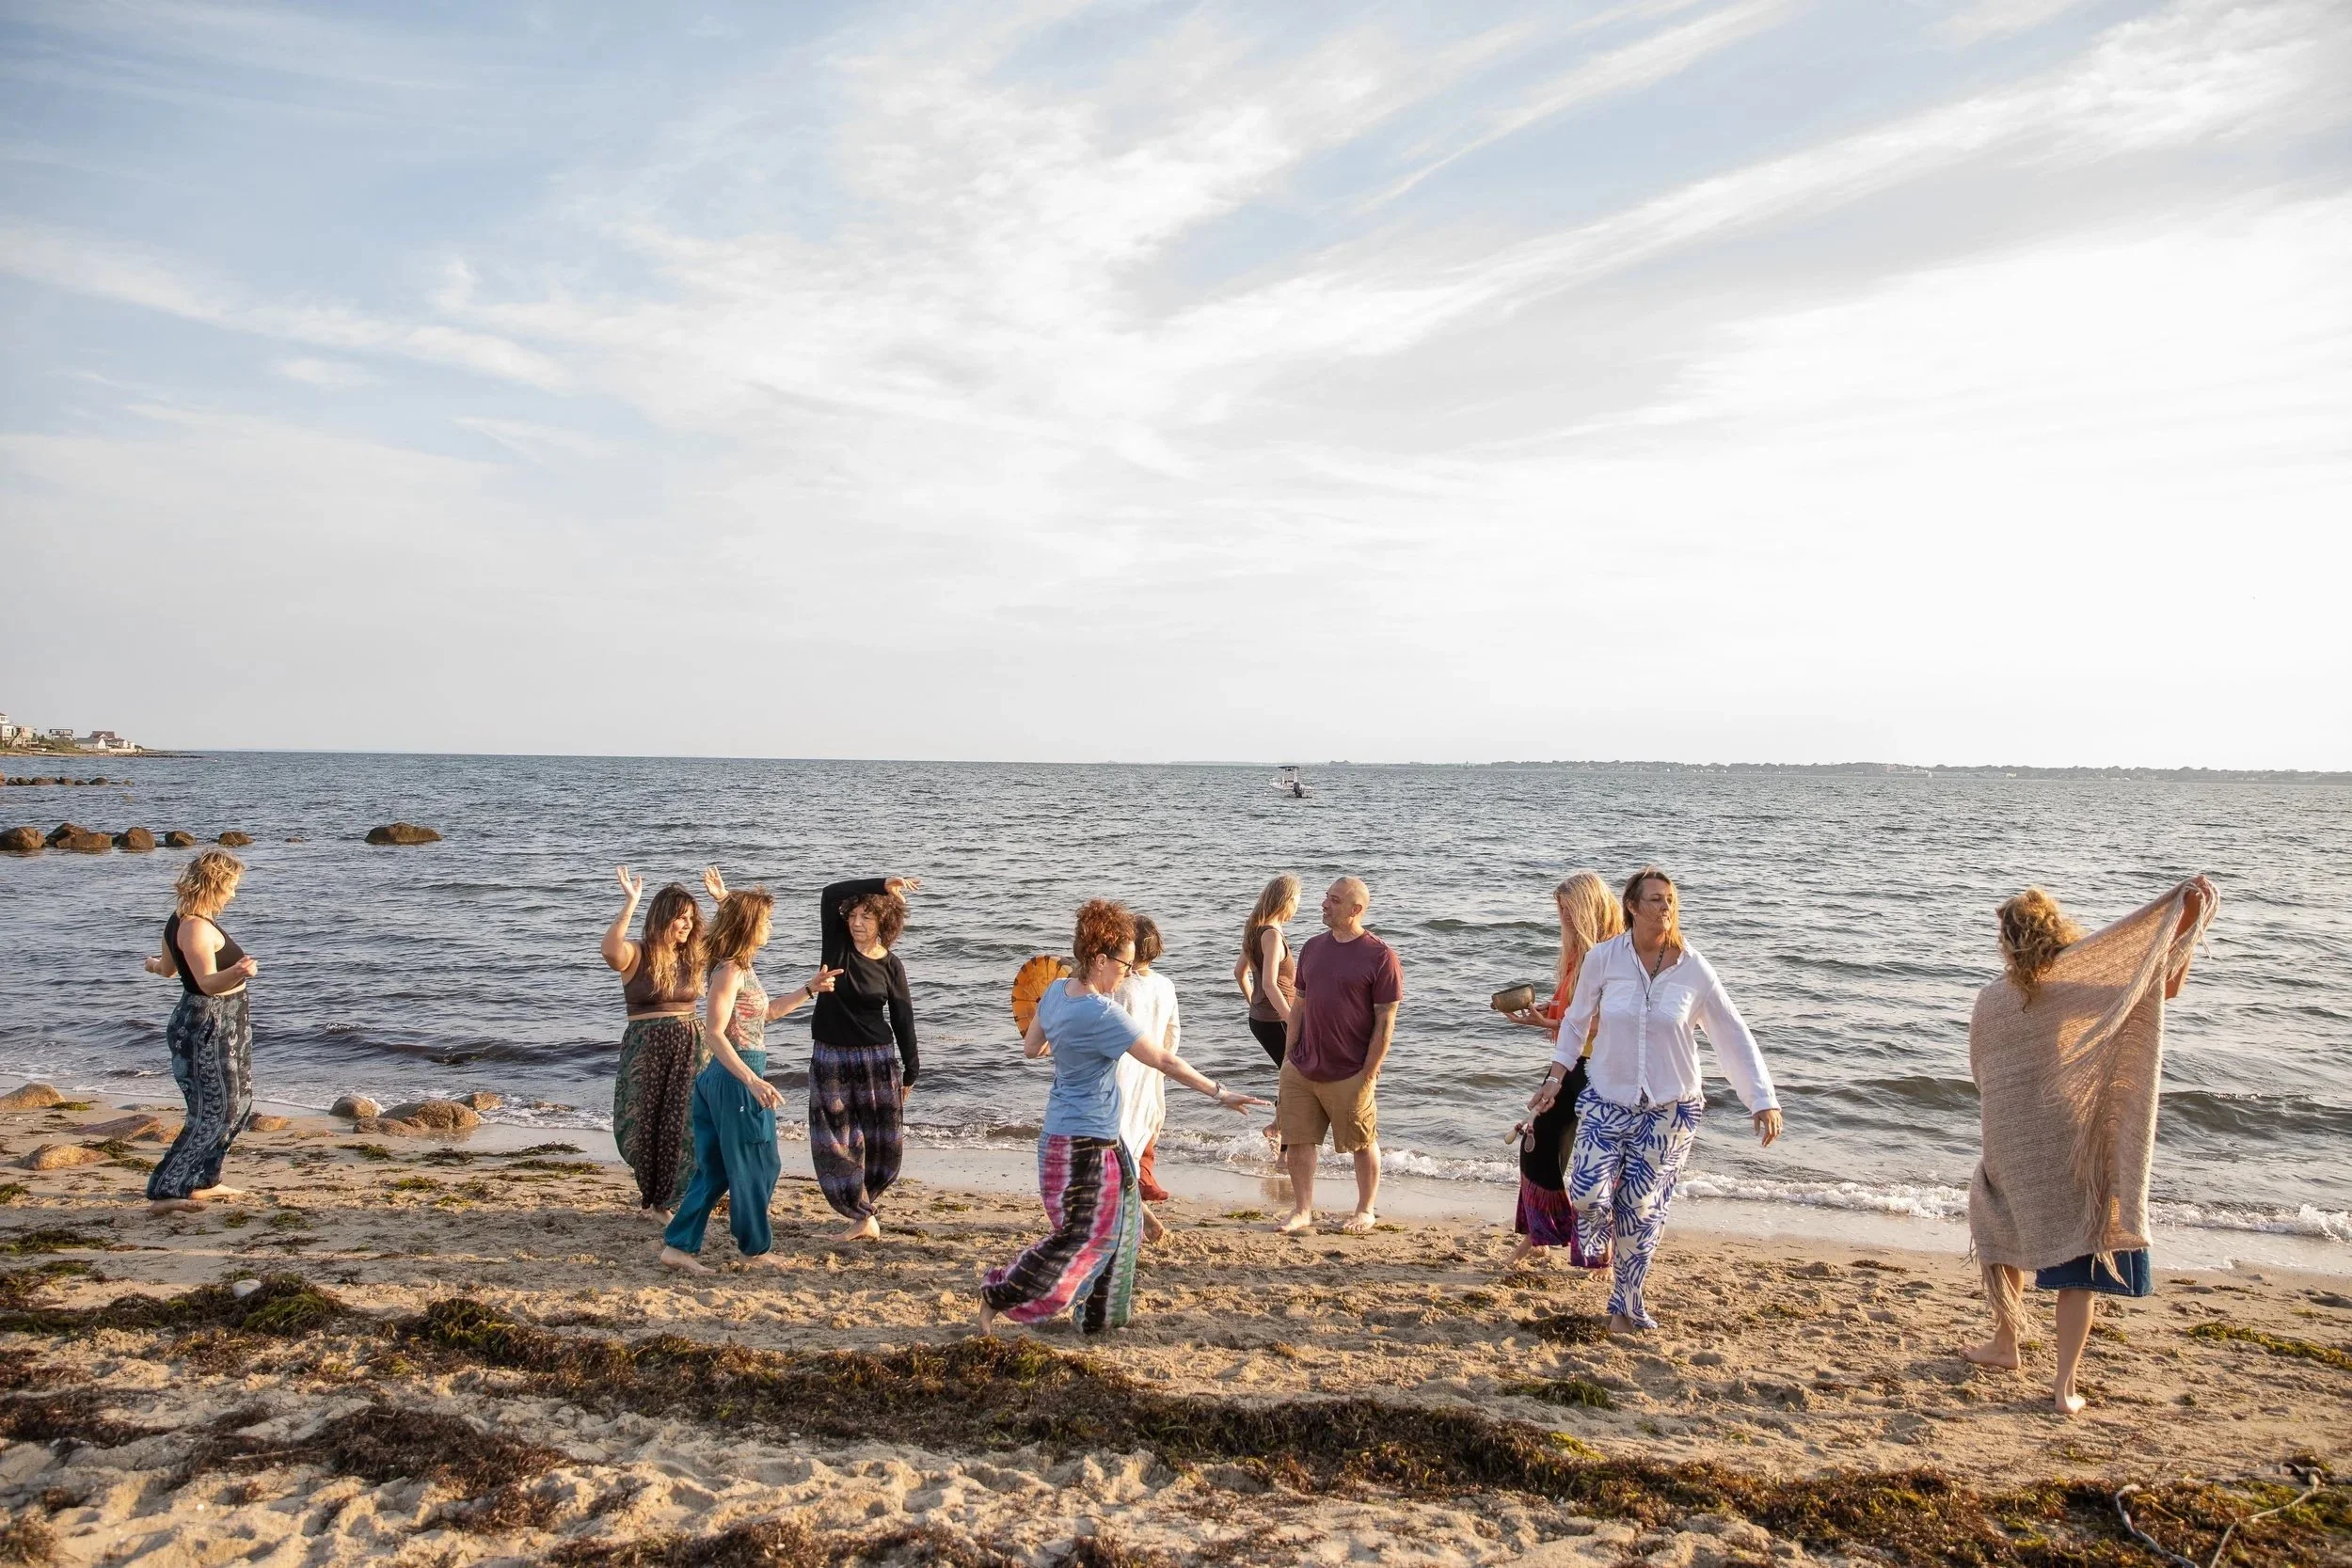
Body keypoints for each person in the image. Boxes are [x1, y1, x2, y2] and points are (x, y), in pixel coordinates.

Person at [1963, 877, 2216, 1415]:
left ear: (2007, 943)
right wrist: (2188, 919)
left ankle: (2007, 1343)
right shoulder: (2075, 987)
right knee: (2077, 1255)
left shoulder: (1988, 998)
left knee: (1996, 1222)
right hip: (2062, 1132)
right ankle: (2064, 1387)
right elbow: (2158, 987)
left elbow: (1980, 1071)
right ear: (2058, 933)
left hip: (2005, 1134)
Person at [980, 900, 1265, 1336]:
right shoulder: (1103, 1013)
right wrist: (1220, 1093)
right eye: (1124, 965)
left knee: (1125, 1227)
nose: (1128, 973)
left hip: (1072, 1137)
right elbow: (1165, 1061)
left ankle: (1099, 1316)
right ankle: (998, 1295)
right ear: (1099, 960)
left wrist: (1069, 1041)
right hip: (1085, 1144)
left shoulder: (1056, 992)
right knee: (1085, 1238)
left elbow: (1032, 1048)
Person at [1527, 866, 1782, 1333]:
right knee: (1585, 1194)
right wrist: (1556, 1078)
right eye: (1655, 900)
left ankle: (1626, 1306)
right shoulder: (1605, 959)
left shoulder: (1694, 969)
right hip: (1607, 1097)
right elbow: (1577, 1022)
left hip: (1671, 1107)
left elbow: (1732, 1034)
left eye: (1670, 900)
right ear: (1631, 907)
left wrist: (1762, 1099)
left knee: (1641, 1212)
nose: (1665, 907)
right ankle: (1599, 1236)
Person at [659, 886, 835, 1274]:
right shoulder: (729, 971)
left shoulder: (742, 967)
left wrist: (810, 989)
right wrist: (751, 1081)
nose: (771, 926)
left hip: (728, 1079)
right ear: (750, 926)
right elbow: (714, 1033)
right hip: (733, 1079)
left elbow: (765, 1014)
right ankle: (754, 1250)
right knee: (761, 1164)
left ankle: (678, 1247)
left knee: (718, 1169)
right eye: (766, 920)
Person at [1502, 870, 1625, 1272]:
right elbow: (1571, 1015)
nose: (1565, 920)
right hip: (1573, 1063)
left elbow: (1616, 1019)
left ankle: (1597, 1242)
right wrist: (1546, 1022)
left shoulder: (1616, 952)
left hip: (1606, 1066)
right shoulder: (1578, 954)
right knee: (1537, 1144)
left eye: (1570, 912)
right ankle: (1539, 1235)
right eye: (1561, 912)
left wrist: (1551, 1024)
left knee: (1600, 1158)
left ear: (1589, 910)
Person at [1276, 877, 1403, 1236]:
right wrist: (1288, 1056)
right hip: (1302, 1065)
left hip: (1351, 1070)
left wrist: (1370, 1070)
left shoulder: (1380, 956)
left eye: (1333, 899)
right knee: (1299, 1140)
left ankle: (1366, 1209)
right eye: (1326, 897)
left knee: (1362, 1142)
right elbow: (1299, 1004)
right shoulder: (1313, 947)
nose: (1324, 904)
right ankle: (1302, 1210)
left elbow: (1385, 1020)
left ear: (1355, 910)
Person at [142, 849, 260, 1213]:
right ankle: (167, 1189)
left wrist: (151, 964)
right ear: (214, 884)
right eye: (231, 886)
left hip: (228, 1020)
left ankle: (204, 1181)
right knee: (215, 1110)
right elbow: (207, 984)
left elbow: (165, 969)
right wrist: (240, 971)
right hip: (207, 1022)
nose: (233, 894)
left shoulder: (183, 920)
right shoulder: (193, 926)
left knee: (238, 1104)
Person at [809, 875, 922, 1242]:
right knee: (837, 1138)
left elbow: (903, 1019)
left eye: (867, 917)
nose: (857, 923)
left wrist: (910, 1072)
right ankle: (860, 1213)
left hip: (877, 1060)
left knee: (880, 1143)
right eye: (854, 915)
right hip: (831, 1057)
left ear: (883, 924)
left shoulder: (892, 966)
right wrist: (882, 884)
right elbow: (829, 892)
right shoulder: (836, 947)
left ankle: (864, 1213)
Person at [602, 865, 720, 1216]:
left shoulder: (693, 955)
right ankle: (652, 1196)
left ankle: (667, 1201)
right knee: (640, 1119)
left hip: (689, 1043)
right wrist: (630, 903)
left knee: (683, 1121)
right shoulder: (636, 953)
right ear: (662, 918)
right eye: (680, 918)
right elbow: (609, 950)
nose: (686, 925)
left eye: (690, 919)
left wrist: (721, 900)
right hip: (646, 1044)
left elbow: (733, 940)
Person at [1114, 915, 1179, 1244]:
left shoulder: (1122, 988)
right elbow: (1172, 1036)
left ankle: (1136, 1211)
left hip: (1122, 1074)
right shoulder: (1165, 986)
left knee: (1114, 1147)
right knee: (1136, 1143)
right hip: (1152, 1076)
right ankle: (1136, 1208)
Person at [1232, 874, 1300, 1069]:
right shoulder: (1271, 934)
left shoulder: (1255, 929)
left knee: (1290, 1074)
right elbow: (1269, 984)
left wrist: (1255, 1004)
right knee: (1295, 1076)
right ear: (1286, 901)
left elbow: (1239, 972)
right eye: (1296, 901)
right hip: (1276, 1019)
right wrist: (1292, 1021)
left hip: (1260, 1019)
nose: (1297, 907)